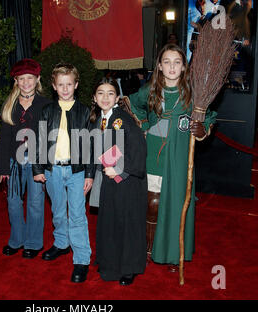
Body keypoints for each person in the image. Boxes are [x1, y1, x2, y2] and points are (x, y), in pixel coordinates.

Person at [130, 44, 217, 271]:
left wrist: (202, 129)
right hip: (154, 155)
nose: (171, 66)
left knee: (177, 204)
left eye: (176, 62)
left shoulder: (194, 93)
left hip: (179, 158)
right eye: (166, 62)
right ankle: (148, 248)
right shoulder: (150, 90)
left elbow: (208, 117)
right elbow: (132, 104)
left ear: (184, 66)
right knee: (153, 204)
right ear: (159, 66)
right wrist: (147, 125)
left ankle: (174, 253)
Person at [32, 63, 94, 283]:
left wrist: (89, 174)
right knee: (58, 211)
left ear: (76, 85)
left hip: (77, 171)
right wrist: (38, 169)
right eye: (61, 85)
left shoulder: (84, 111)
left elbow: (89, 145)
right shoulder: (47, 111)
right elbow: (39, 141)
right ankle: (61, 243)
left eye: (69, 84)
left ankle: (82, 259)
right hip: (52, 171)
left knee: (77, 215)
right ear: (54, 86)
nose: (65, 88)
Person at [89, 77, 147, 286]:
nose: (105, 97)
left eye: (110, 93)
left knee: (127, 224)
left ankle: (129, 268)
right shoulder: (99, 120)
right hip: (109, 180)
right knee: (111, 222)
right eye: (101, 93)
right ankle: (110, 262)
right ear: (94, 97)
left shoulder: (123, 119)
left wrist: (120, 171)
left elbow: (139, 151)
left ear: (117, 97)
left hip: (127, 181)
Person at [0, 58, 51, 259]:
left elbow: (48, 137)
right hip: (14, 161)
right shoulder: (10, 104)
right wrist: (3, 168)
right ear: (16, 81)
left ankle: (34, 243)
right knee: (13, 201)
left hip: (37, 161)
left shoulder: (46, 104)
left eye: (30, 78)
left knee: (36, 203)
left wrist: (46, 165)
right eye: (22, 78)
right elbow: (4, 138)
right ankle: (16, 239)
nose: (26, 82)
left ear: (37, 80)